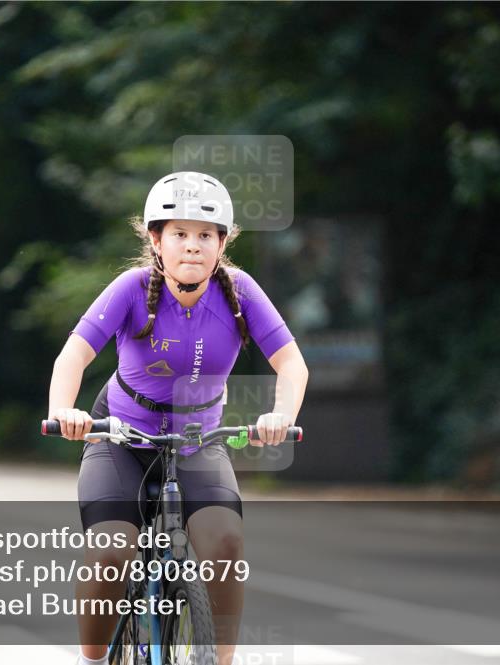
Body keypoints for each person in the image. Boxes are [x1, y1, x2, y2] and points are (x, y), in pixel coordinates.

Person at [47, 171, 309, 665]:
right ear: (156, 241)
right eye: (180, 234)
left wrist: (280, 415)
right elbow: (72, 358)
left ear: (222, 243)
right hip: (120, 437)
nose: (193, 246)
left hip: (198, 440)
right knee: (111, 551)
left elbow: (292, 364)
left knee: (226, 544)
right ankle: (91, 659)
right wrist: (64, 410)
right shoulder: (130, 288)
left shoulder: (241, 293)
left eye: (205, 235)